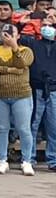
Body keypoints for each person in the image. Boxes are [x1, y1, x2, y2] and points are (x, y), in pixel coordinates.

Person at [0, 24, 35, 175]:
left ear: (18, 35)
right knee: (1, 128)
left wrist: (14, 47)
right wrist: (9, 70)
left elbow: (23, 64)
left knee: (24, 128)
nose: (7, 35)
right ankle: (2, 160)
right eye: (4, 32)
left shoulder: (26, 50)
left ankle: (26, 161)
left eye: (11, 33)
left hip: (21, 94)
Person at [23, 20, 56, 172]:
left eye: (51, 26)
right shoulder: (32, 43)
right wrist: (31, 21)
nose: (47, 28)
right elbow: (19, 36)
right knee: (33, 124)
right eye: (44, 26)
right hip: (36, 89)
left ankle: (53, 159)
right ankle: (29, 158)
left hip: (54, 90)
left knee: (53, 126)